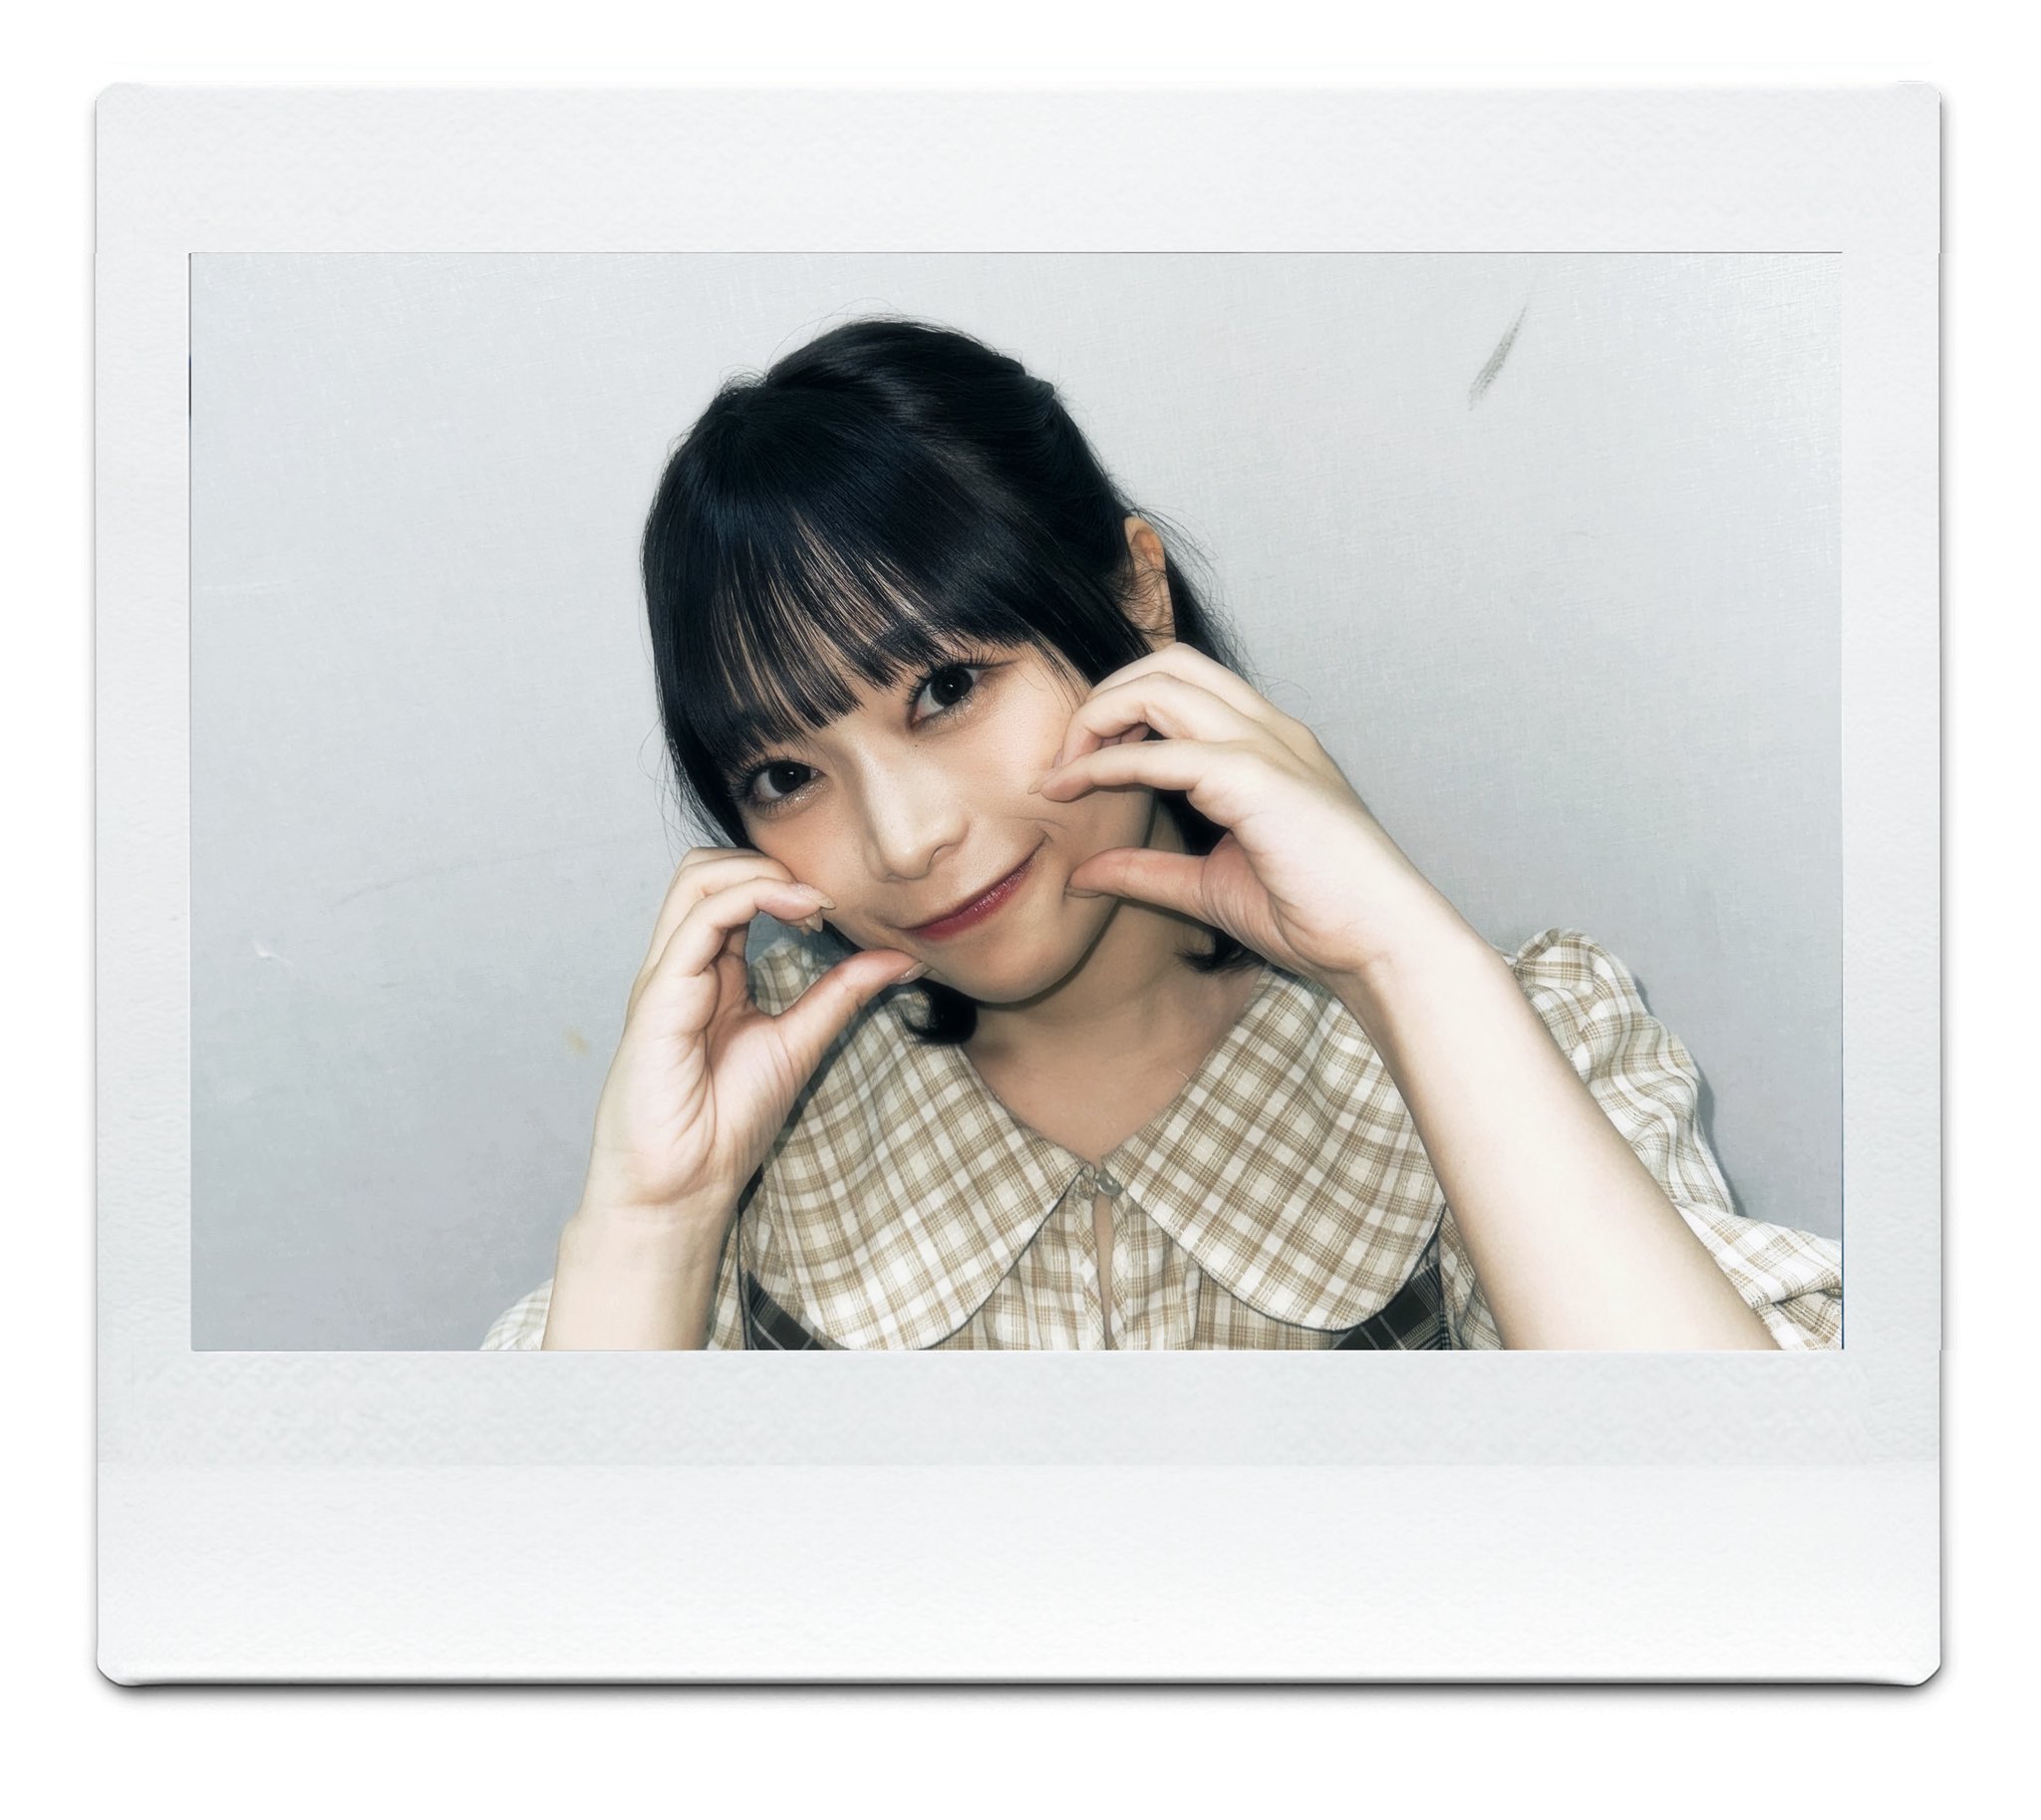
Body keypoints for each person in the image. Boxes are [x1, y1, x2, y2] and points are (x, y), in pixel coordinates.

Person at [482, 316, 1842, 1353]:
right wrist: (654, 1222)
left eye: (946, 690)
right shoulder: (752, 1145)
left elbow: (1756, 1544)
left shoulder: (1533, 1039)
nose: (902, 839)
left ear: (1136, 594)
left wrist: (1406, 966)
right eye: (788, 773)